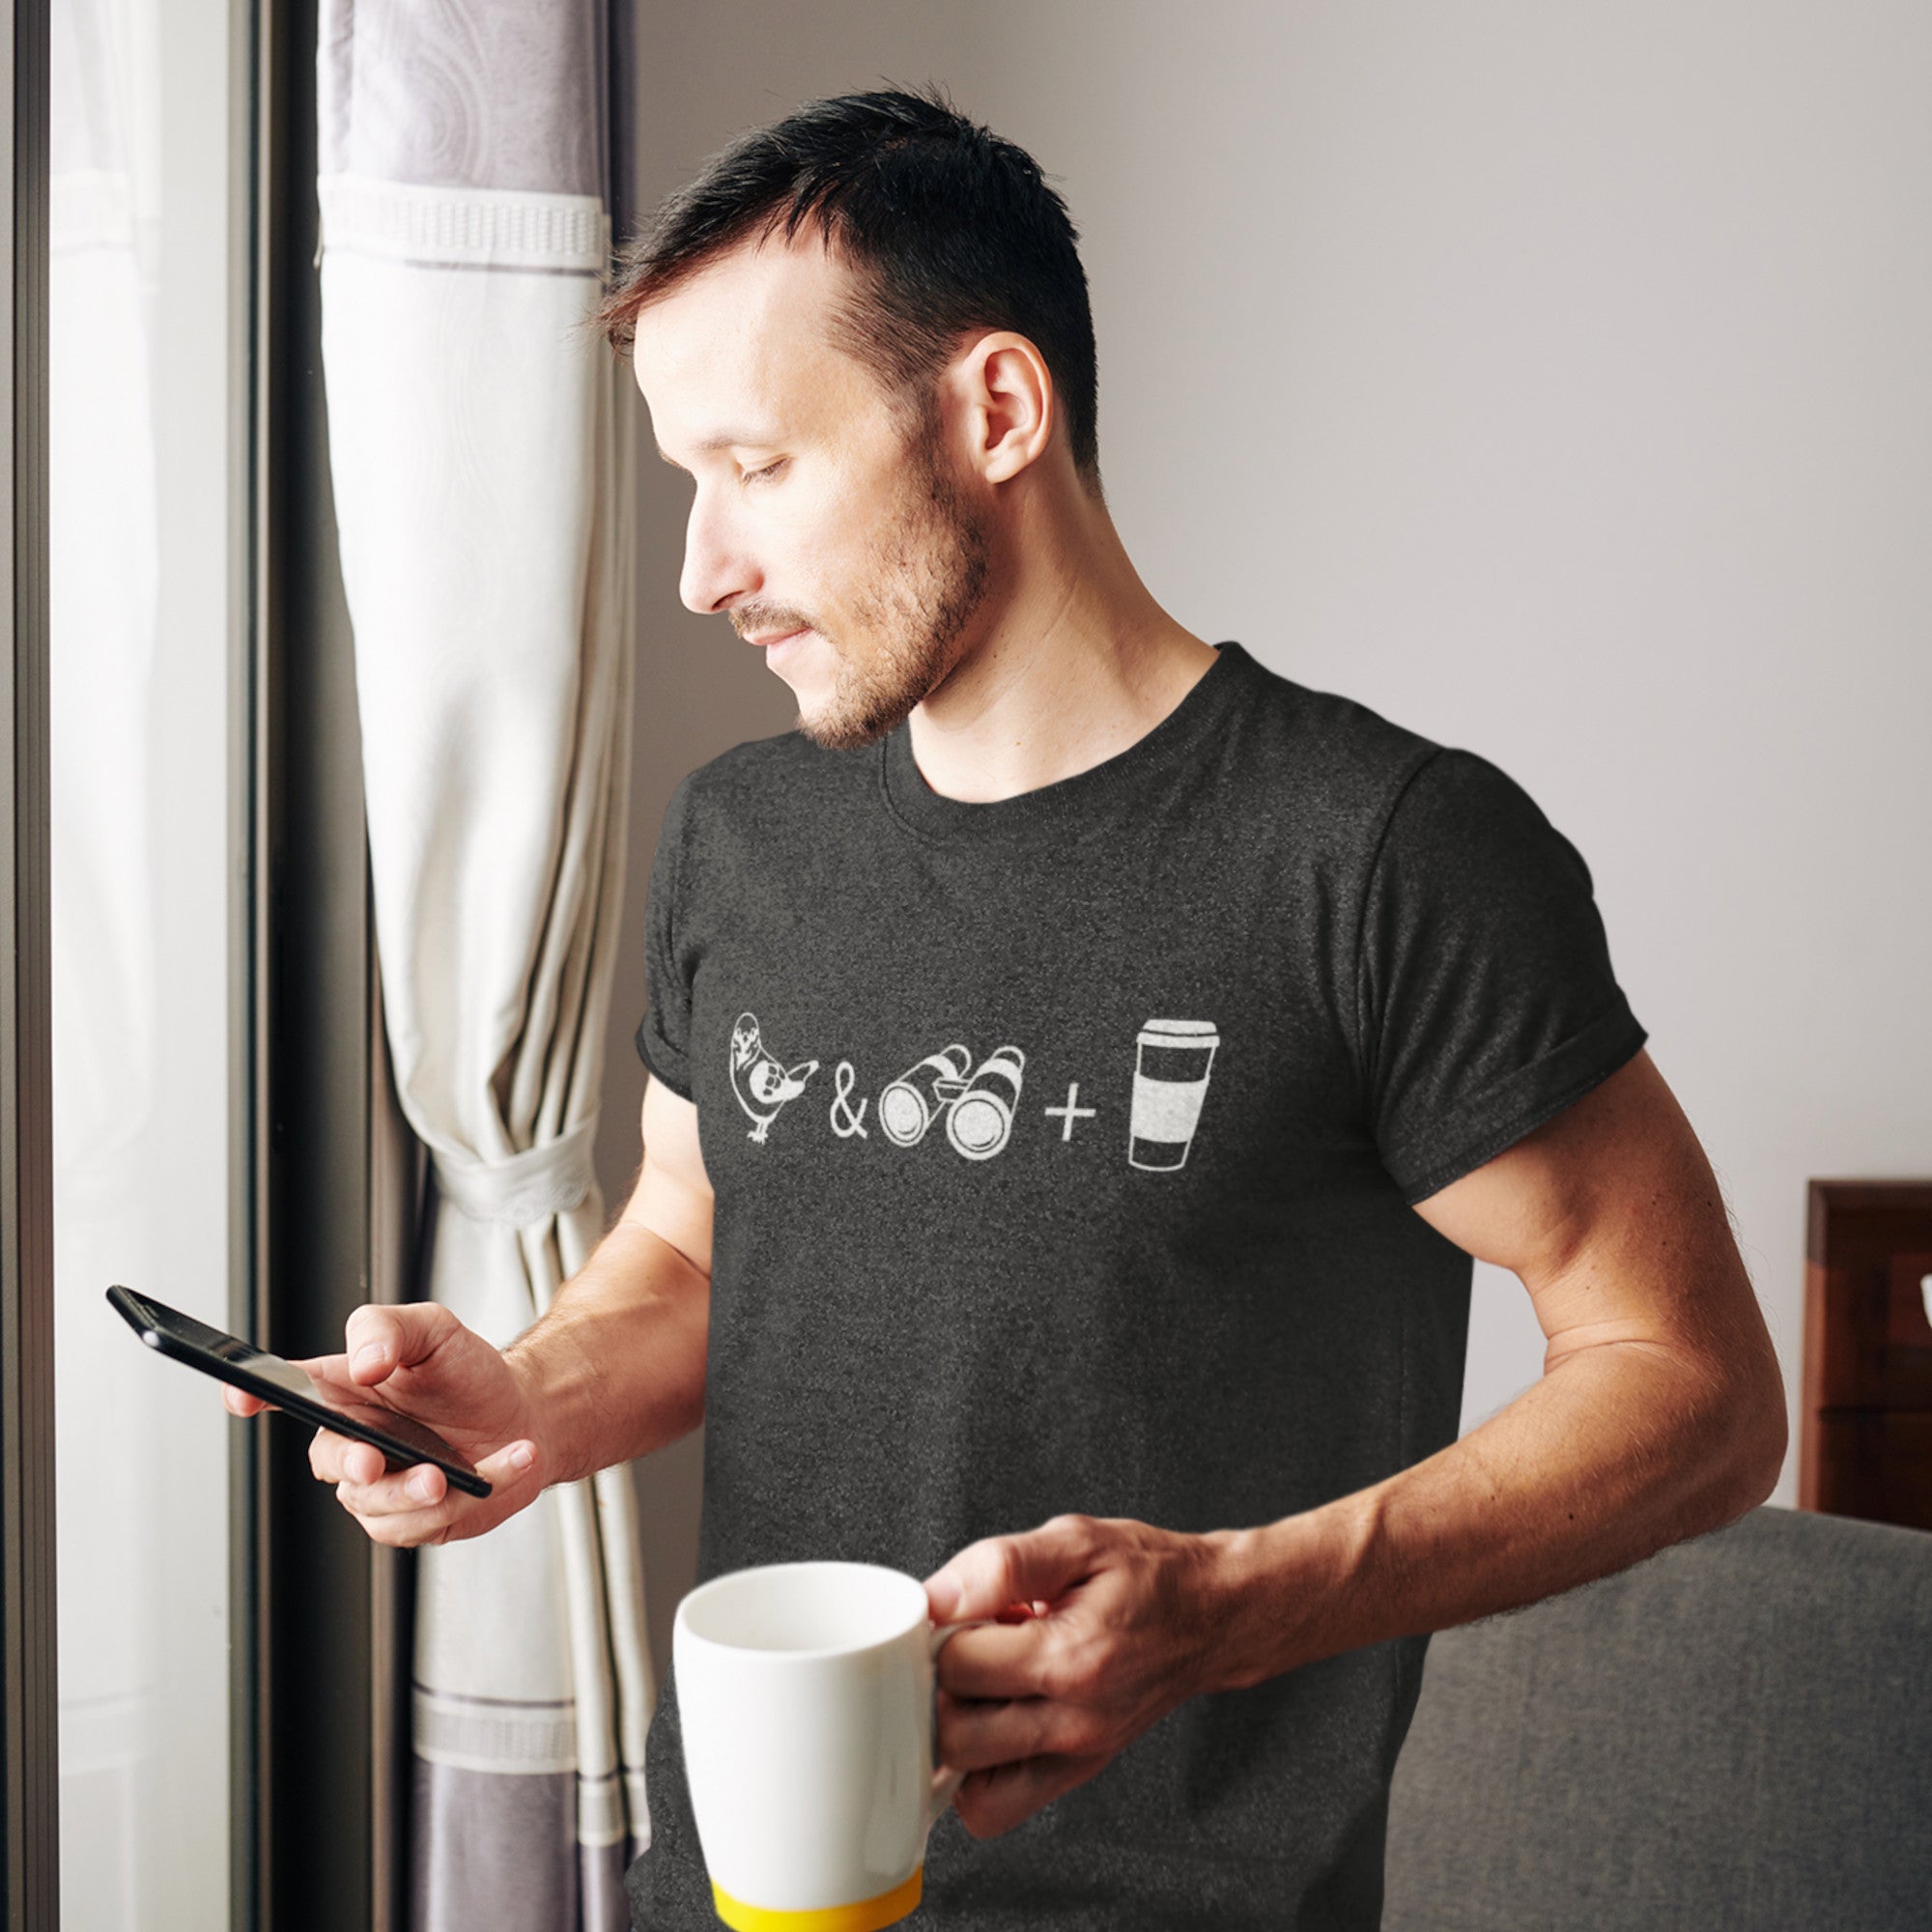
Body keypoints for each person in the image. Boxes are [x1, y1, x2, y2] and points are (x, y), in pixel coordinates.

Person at [228, 86, 1786, 1929]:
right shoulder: (746, 837)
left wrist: (1232, 1606)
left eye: (760, 467)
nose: (702, 570)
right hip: (729, 1895)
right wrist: (523, 1398)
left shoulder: (1380, 854)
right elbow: (695, 1253)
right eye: (687, 481)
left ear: (994, 412)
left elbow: (1693, 1386)